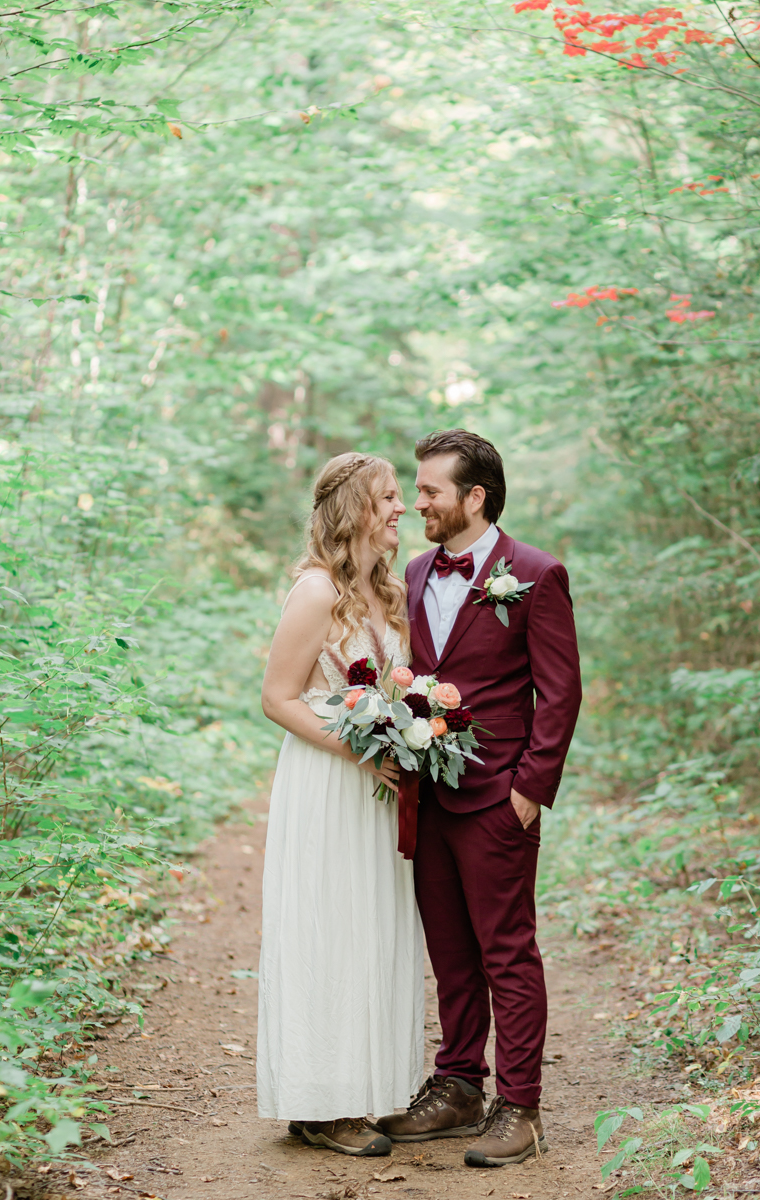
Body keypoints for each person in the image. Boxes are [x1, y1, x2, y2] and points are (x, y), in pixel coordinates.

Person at [375, 430, 582, 1167]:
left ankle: (519, 1108)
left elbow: (559, 694)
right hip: (426, 796)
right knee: (451, 953)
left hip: (499, 799)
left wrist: (529, 791)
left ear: (475, 497)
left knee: (507, 954)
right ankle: (458, 1086)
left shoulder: (534, 574)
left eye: (429, 491)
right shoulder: (412, 570)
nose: (417, 502)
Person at [257, 452, 424, 1157]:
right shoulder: (316, 591)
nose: (401, 509)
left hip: (378, 788)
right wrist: (360, 750)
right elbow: (277, 698)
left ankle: (360, 1088)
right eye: (388, 497)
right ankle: (320, 1103)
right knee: (327, 926)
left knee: (371, 927)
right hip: (329, 779)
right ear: (355, 507)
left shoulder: (385, 595)